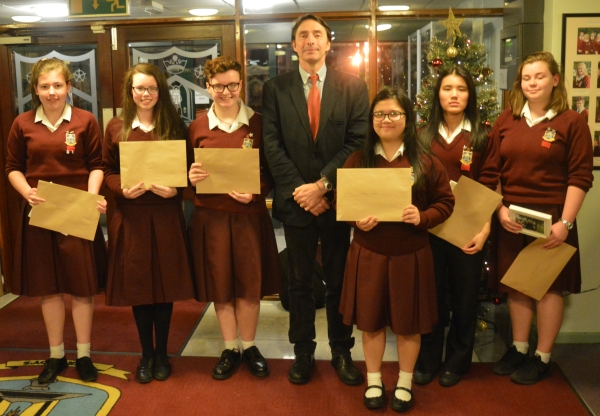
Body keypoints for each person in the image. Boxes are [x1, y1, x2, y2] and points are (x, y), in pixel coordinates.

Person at [262, 13, 369, 386]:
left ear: (328, 43)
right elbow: (272, 145)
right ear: (294, 45)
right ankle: (303, 352)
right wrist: (302, 191)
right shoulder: (275, 89)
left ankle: (341, 351)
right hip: (296, 204)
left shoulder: (353, 87)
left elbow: (358, 141)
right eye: (303, 35)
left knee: (339, 281)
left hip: (337, 201)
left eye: (317, 34)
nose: (310, 40)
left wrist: (322, 185)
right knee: (299, 283)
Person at [339, 88, 454, 411]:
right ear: (371, 119)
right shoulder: (359, 160)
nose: (386, 119)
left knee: (408, 323)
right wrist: (355, 220)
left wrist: (423, 217)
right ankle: (374, 380)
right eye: (379, 114)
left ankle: (404, 382)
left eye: (393, 114)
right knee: (371, 321)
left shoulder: (426, 160)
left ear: (407, 119)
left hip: (411, 254)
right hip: (369, 252)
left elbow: (445, 202)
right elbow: (341, 201)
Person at [491, 51, 593, 385]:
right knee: (518, 286)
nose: (532, 83)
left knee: (549, 289)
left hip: (553, 219)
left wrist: (566, 224)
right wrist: (500, 210)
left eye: (539, 76)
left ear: (555, 80)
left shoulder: (572, 122)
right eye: (526, 78)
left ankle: (542, 357)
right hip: (512, 218)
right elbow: (493, 171)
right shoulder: (506, 120)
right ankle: (519, 349)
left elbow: (580, 177)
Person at [5, 58, 107, 383]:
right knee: (48, 289)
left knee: (82, 287)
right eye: (45, 86)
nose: (52, 92)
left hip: (77, 211)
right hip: (41, 212)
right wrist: (26, 192)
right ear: (35, 90)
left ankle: (84, 355)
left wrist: (91, 197)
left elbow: (97, 164)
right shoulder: (22, 123)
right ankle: (56, 355)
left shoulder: (85, 120)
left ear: (69, 87)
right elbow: (12, 167)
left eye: (58, 85)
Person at [187, 56, 281, 380]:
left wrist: (256, 192)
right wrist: (191, 177)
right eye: (218, 86)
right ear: (208, 86)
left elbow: (271, 173)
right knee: (221, 284)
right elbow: (186, 173)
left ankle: (250, 346)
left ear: (241, 84)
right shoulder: (197, 127)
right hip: (211, 218)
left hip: (249, 217)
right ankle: (230, 348)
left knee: (250, 285)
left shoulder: (259, 123)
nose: (226, 92)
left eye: (232, 85)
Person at [103, 63, 195, 383]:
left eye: (152, 88)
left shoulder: (175, 125)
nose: (146, 94)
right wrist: (121, 189)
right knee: (140, 287)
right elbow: (107, 170)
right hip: (132, 216)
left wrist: (177, 189)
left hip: (166, 215)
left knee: (165, 287)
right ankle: (146, 354)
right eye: (140, 88)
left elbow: (190, 170)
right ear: (130, 91)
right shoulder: (117, 127)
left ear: (160, 91)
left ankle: (162, 354)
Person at [415, 66, 500, 387]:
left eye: (461, 89)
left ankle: (458, 361)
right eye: (447, 88)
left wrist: (484, 228)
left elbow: (489, 181)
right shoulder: (422, 135)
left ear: (470, 95)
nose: (454, 95)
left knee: (465, 300)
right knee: (431, 299)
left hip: (469, 229)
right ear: (437, 94)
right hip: (430, 230)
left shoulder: (482, 135)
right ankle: (428, 360)